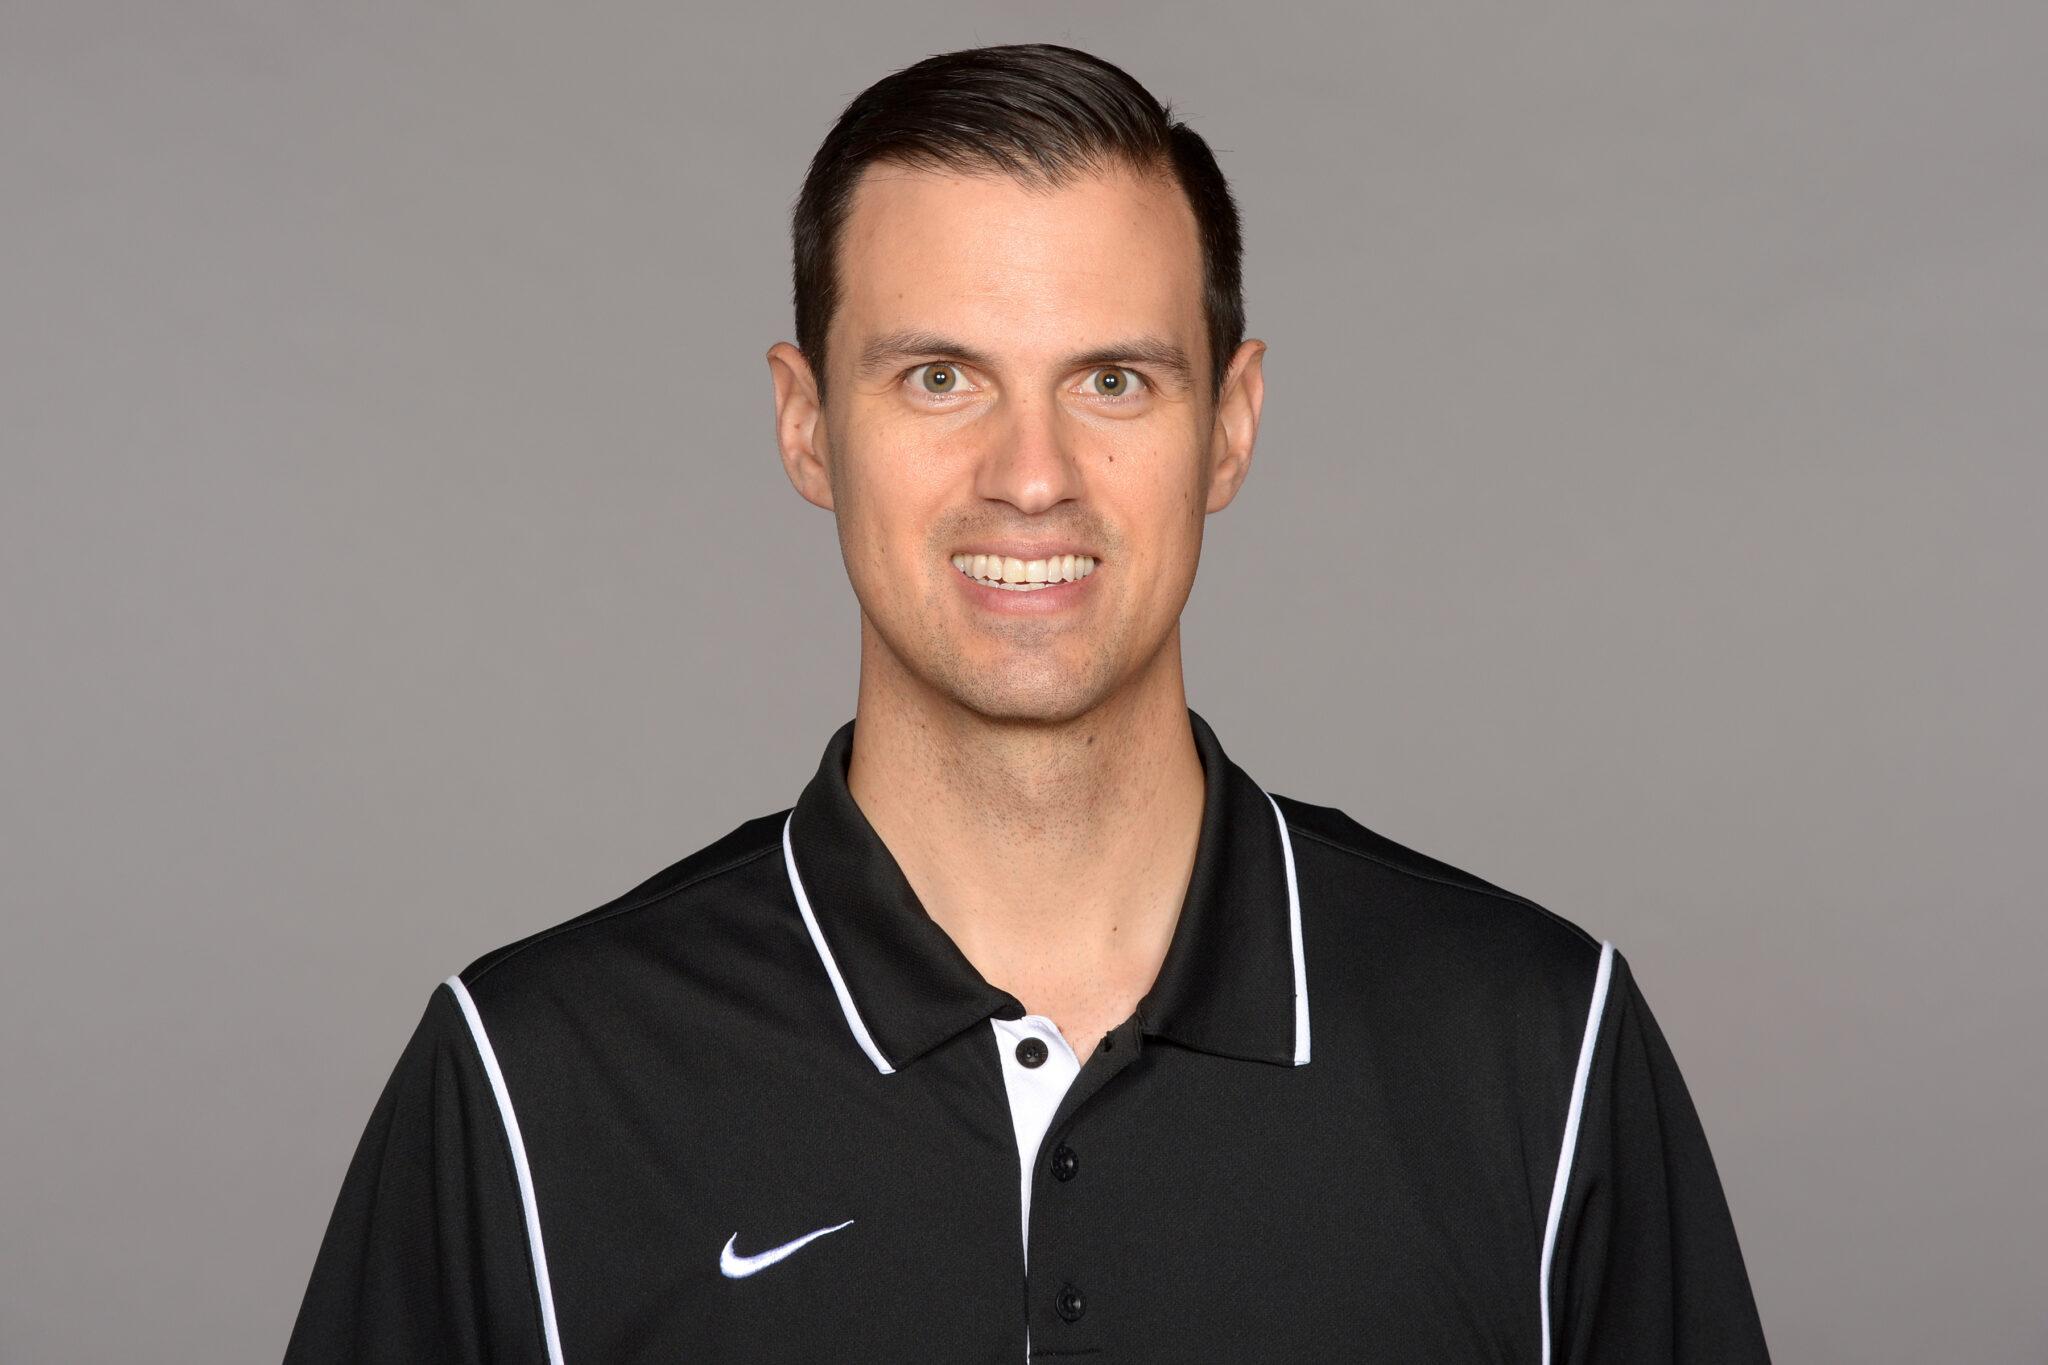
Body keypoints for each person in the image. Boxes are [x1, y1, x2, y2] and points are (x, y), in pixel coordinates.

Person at [284, 42, 1770, 1363]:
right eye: (940, 378)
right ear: (808, 426)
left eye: (1114, 381)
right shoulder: (533, 1084)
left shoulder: (1536, 1048)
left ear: (1230, 428)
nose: (1032, 471)